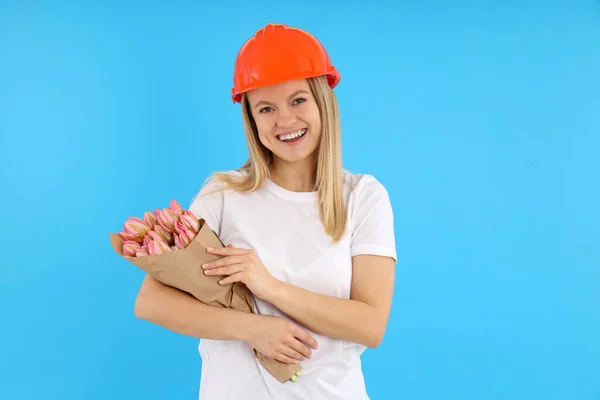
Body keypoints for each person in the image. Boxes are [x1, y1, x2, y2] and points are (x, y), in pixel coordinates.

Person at [133, 22, 397, 400]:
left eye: (298, 100)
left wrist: (268, 286)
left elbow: (370, 325)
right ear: (252, 119)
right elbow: (152, 301)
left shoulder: (362, 196)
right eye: (266, 108)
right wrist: (253, 329)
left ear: (323, 100)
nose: (285, 121)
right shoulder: (223, 194)